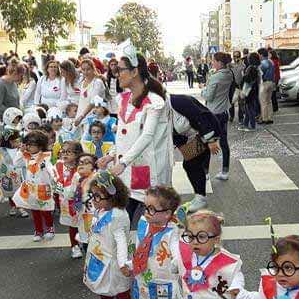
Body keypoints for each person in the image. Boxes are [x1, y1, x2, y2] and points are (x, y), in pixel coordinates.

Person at [102, 50, 174, 225]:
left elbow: (147, 136)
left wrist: (123, 162)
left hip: (146, 168)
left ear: (134, 71)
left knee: (149, 220)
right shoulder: (123, 99)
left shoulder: (154, 101)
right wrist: (111, 154)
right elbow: (124, 134)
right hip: (126, 169)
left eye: (121, 69)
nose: (116, 74)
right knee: (125, 220)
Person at [130, 185, 183, 299]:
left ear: (167, 214)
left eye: (152, 209)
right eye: (146, 207)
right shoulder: (144, 223)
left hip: (164, 278)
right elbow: (138, 244)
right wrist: (131, 263)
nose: (147, 212)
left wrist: (177, 262)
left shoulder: (172, 231)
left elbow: (176, 248)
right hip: (144, 274)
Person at [83, 171, 136, 299]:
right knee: (101, 285)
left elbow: (121, 241)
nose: (93, 200)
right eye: (93, 195)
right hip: (98, 256)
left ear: (112, 196)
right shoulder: (100, 211)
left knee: (121, 290)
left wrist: (122, 263)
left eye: (98, 196)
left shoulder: (118, 215)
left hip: (113, 260)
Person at [170, 93, 221, 212]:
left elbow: (201, 117)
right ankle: (200, 197)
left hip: (205, 133)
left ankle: (201, 198)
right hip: (192, 136)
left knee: (192, 164)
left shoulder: (179, 101)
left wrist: (211, 140)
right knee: (191, 164)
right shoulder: (161, 109)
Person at [12, 130, 56, 239]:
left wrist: (55, 178)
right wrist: (20, 152)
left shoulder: (45, 156)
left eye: (31, 144)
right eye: (27, 144)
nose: (28, 147)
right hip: (31, 188)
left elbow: (50, 168)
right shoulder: (26, 156)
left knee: (45, 209)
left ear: (40, 146)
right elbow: (16, 163)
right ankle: (38, 230)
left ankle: (50, 227)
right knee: (35, 210)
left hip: (43, 187)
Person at [201, 51, 234, 180]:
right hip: (223, 112)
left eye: (214, 61)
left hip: (212, 115)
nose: (212, 63)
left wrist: (203, 89)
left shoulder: (215, 77)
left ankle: (205, 172)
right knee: (224, 143)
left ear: (220, 63)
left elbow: (208, 96)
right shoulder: (229, 74)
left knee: (206, 142)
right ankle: (225, 172)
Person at [55, 140, 84, 258]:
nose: (65, 154)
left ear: (77, 154)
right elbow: (57, 183)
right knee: (72, 225)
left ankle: (83, 241)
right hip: (66, 201)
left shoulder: (82, 167)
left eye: (69, 152)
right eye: (63, 152)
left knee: (83, 222)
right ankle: (74, 246)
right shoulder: (59, 166)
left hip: (81, 200)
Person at [72, 58, 108, 128]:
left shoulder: (97, 82)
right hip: (81, 116)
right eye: (83, 70)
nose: (85, 72)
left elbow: (93, 102)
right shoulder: (82, 82)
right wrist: (79, 116)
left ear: (93, 69)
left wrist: (82, 116)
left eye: (88, 69)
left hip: (93, 117)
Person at [0, 63, 21, 138]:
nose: (22, 78)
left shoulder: (14, 84)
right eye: (21, 75)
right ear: (14, 73)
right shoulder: (0, 84)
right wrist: (14, 115)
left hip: (12, 120)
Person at [241, 52, 261, 131]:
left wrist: (243, 75)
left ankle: (252, 126)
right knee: (248, 107)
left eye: (249, 58)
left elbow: (247, 79)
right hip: (254, 89)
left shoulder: (251, 68)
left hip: (249, 89)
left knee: (249, 108)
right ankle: (245, 124)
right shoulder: (256, 67)